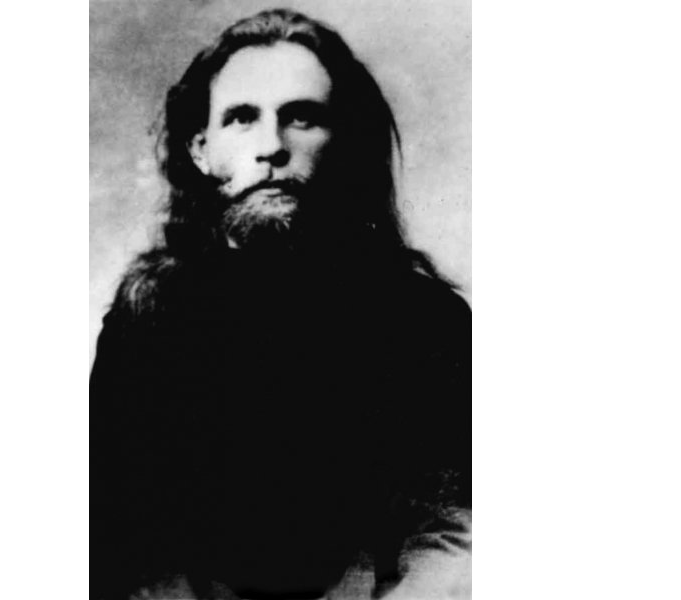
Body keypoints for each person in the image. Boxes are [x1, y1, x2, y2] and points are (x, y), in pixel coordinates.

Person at [91, 9, 470, 600]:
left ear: (344, 142)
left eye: (302, 118)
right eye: (242, 118)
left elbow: (453, 535)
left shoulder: (424, 322)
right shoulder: (148, 320)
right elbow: (118, 539)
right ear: (201, 149)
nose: (271, 147)